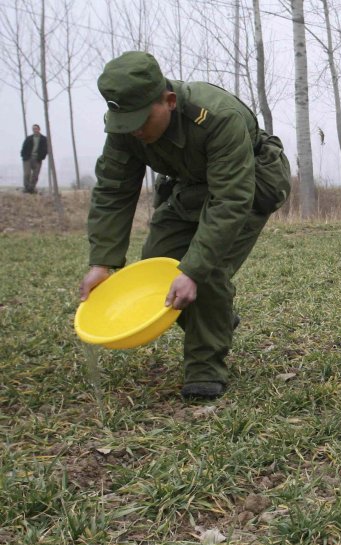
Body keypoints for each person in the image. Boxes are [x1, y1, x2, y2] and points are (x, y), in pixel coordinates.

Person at [79, 51, 291, 400]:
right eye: (125, 123)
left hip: (250, 180)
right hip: (190, 184)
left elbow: (229, 200)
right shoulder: (125, 127)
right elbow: (113, 191)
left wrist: (193, 272)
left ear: (170, 101)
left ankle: (205, 367)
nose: (134, 131)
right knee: (157, 264)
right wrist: (102, 263)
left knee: (205, 270)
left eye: (142, 120)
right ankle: (216, 319)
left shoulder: (218, 117)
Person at [20, 124, 48, 193]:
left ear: (39, 129)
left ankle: (31, 188)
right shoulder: (29, 138)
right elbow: (24, 147)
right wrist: (23, 156)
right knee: (27, 173)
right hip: (28, 158)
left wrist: (42, 156)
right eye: (33, 129)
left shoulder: (43, 139)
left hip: (37, 159)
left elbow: (46, 149)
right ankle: (26, 188)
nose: (35, 130)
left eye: (36, 128)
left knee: (35, 175)